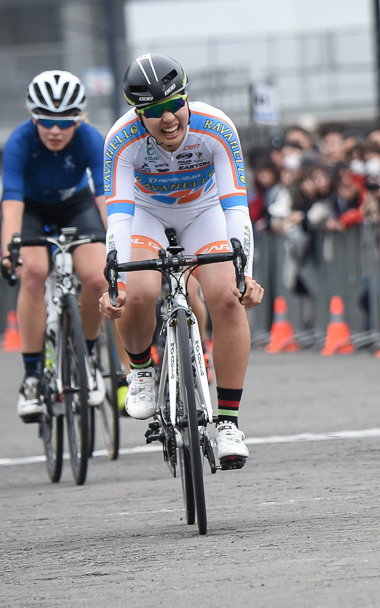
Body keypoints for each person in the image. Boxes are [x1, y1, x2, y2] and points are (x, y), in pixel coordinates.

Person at [100, 53, 265, 469]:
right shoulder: (121, 140)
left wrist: (245, 273)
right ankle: (140, 370)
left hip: (204, 211)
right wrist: (114, 280)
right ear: (138, 114)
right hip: (146, 213)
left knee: (226, 297)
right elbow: (118, 216)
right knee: (137, 292)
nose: (169, 118)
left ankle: (227, 423)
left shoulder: (217, 128)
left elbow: (236, 207)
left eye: (175, 103)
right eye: (154, 111)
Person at [0, 71, 108, 422]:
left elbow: (105, 198)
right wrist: (8, 251)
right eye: (46, 121)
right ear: (34, 117)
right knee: (33, 272)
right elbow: (11, 204)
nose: (56, 130)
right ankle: (32, 377)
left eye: (66, 121)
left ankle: (87, 356)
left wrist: (118, 245)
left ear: (79, 118)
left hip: (75, 205)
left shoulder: (91, 139)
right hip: (32, 209)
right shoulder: (19, 142)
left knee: (97, 278)